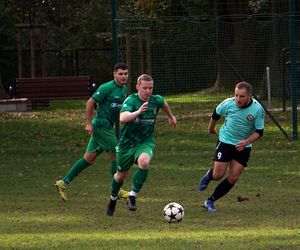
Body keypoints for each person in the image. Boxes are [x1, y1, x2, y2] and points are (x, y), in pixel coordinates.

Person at [55, 63, 130, 201]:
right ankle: (117, 189)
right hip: (101, 127)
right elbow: (90, 102)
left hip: (107, 127)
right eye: (120, 73)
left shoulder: (123, 89)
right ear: (114, 74)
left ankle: (63, 183)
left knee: (89, 159)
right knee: (117, 154)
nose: (123, 76)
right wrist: (89, 123)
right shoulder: (106, 87)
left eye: (125, 73)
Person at [106, 74, 177, 216]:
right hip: (126, 144)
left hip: (145, 142)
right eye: (144, 88)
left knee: (144, 162)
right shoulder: (131, 100)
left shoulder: (156, 100)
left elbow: (164, 104)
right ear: (137, 87)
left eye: (150, 88)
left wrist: (171, 117)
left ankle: (132, 195)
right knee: (120, 176)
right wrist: (138, 112)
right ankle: (113, 198)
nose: (148, 91)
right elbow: (122, 118)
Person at [198, 81, 265, 212]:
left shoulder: (257, 109)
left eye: (242, 96)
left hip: (243, 146)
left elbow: (259, 132)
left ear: (250, 96)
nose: (238, 99)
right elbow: (216, 114)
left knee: (233, 177)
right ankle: (209, 175)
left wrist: (246, 142)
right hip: (225, 141)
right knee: (218, 175)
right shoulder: (228, 103)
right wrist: (211, 128)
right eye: (236, 95)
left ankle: (210, 201)